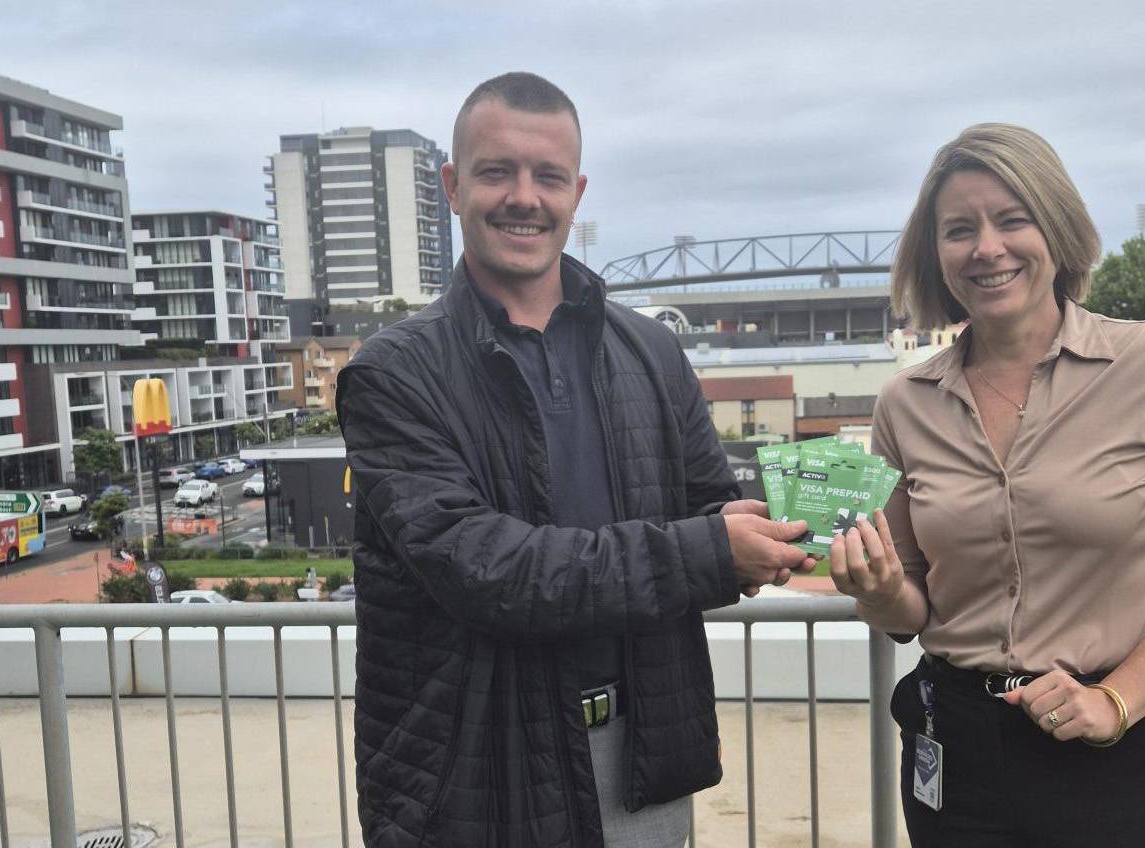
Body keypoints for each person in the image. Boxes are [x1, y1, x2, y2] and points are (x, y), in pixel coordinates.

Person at [335, 71, 814, 848]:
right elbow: (490, 570)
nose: (525, 197)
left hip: (643, 759)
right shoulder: (393, 374)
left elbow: (708, 510)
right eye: (497, 172)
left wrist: (772, 538)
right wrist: (708, 548)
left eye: (548, 176)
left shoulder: (651, 349)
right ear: (453, 187)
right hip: (479, 778)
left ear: (577, 191)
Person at [831, 123, 1145, 847]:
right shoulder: (904, 405)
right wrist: (873, 590)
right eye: (958, 229)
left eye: (1012, 218)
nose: (986, 248)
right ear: (935, 255)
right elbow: (909, 608)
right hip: (954, 752)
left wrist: (1113, 702)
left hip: (1113, 754)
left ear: (1057, 229)